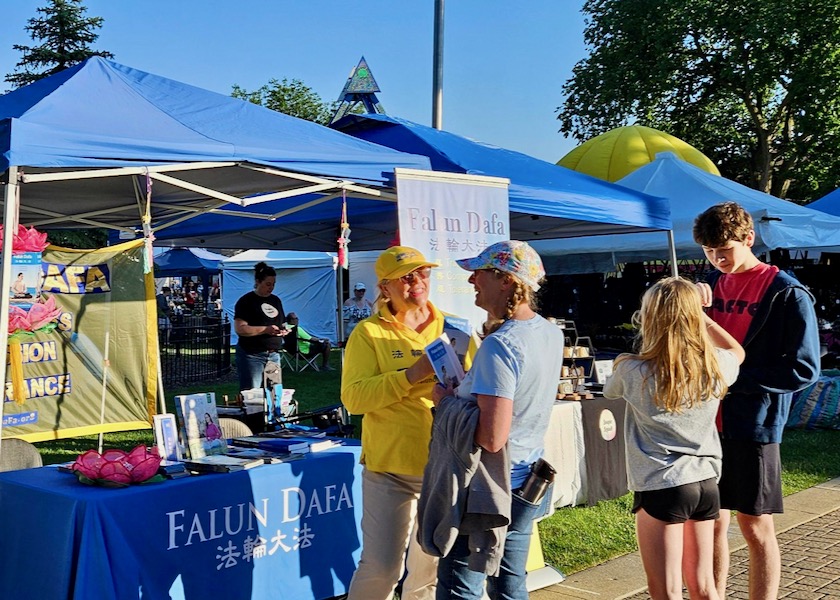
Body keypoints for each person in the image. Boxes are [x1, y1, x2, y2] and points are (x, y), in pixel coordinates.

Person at [692, 202, 821, 600]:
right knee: (710, 522)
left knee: (755, 525)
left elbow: (803, 368)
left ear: (749, 239)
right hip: (702, 423)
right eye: (710, 251)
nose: (718, 258)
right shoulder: (707, 284)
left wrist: (734, 382)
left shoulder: (786, 292)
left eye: (725, 250)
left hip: (753, 424)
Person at [424, 240, 564, 600]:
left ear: (505, 280)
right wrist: (474, 385)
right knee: (508, 583)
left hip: (489, 489)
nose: (472, 280)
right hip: (527, 479)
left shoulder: (500, 345)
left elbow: (491, 437)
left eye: (479, 272)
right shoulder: (549, 332)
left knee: (460, 588)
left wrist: (446, 402)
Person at [603, 277, 744, 600]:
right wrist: (703, 315)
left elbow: (611, 391)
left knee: (665, 591)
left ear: (649, 317)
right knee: (705, 587)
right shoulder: (714, 365)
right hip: (706, 481)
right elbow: (737, 350)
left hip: (661, 482)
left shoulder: (632, 369)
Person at [341, 246, 445, 600]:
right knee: (382, 568)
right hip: (390, 470)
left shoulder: (452, 327)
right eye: (406, 277)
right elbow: (354, 399)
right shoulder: (368, 334)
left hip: (443, 466)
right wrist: (411, 376)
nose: (417, 282)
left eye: (423, 273)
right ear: (385, 288)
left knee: (429, 569)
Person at [233, 261, 290, 392]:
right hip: (252, 355)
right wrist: (266, 330)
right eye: (268, 284)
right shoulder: (246, 301)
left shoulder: (275, 300)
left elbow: (281, 322)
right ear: (258, 282)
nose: (271, 288)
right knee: (252, 395)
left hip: (273, 355)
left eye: (274, 284)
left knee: (275, 394)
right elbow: (240, 329)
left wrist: (283, 329)